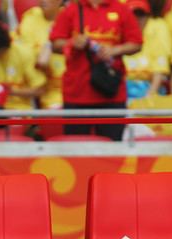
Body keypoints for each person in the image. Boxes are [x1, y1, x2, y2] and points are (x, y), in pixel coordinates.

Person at [49, 0, 142, 140]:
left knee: (112, 151)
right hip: (77, 92)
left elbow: (136, 43)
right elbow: (55, 43)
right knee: (76, 150)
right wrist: (73, 42)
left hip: (111, 93)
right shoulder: (71, 10)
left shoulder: (121, 10)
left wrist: (115, 50)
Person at [16, 0, 66, 108]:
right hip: (47, 85)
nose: (44, 1)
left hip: (69, 81)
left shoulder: (70, 15)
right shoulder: (31, 16)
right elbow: (26, 51)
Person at [123, 0, 172, 99]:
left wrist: (150, 95)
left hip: (148, 86)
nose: (136, 19)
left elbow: (159, 69)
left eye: (141, 15)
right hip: (120, 86)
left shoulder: (158, 29)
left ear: (148, 17)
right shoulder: (119, 31)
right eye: (132, 14)